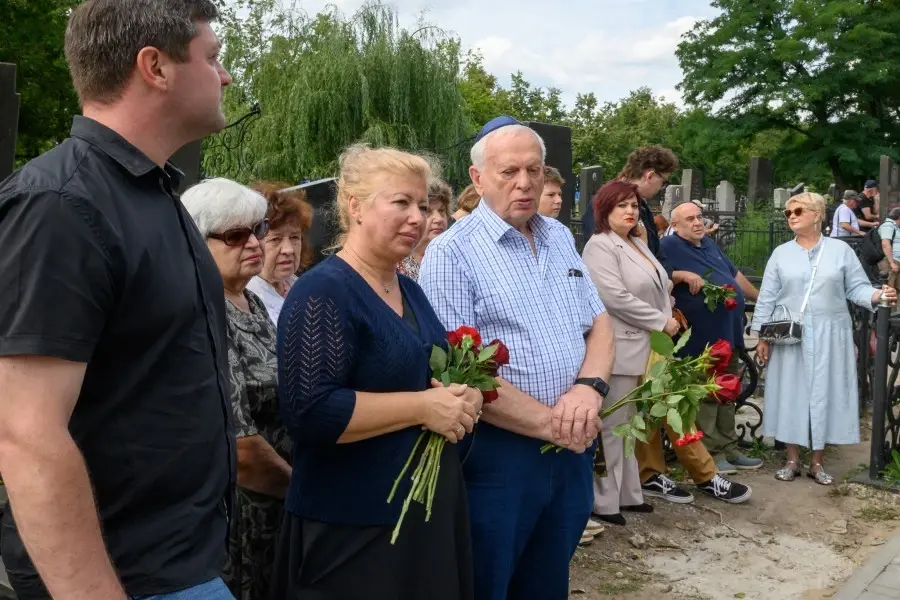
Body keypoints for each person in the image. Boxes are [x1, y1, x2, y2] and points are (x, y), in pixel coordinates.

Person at [0, 2, 236, 599]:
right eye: (212, 58)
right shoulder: (59, 207)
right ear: (155, 67)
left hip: (186, 566)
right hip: (123, 581)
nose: (226, 76)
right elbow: (24, 432)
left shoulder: (156, 198)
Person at [271, 145, 481, 600]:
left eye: (423, 206)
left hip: (419, 519)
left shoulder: (408, 288)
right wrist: (423, 407)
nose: (417, 217)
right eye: (401, 202)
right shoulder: (322, 292)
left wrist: (464, 396)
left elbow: (425, 374)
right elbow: (311, 412)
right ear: (355, 207)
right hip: (354, 529)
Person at [419, 115, 615, 600]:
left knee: (549, 577)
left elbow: (600, 324)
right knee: (489, 579)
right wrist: (553, 423)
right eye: (509, 172)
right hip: (499, 454)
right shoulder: (452, 254)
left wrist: (588, 390)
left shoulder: (558, 238)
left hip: (570, 444)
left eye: (533, 169)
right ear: (478, 178)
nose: (524, 183)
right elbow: (461, 371)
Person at [182, 178, 291, 600]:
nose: (253, 243)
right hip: (239, 518)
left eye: (257, 230)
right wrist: (303, 493)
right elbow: (240, 447)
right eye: (234, 235)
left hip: (275, 505)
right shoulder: (204, 310)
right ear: (196, 241)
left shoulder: (251, 300)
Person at [753, 193, 896, 485]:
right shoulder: (781, 253)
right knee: (791, 391)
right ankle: (792, 458)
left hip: (832, 333)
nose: (791, 216)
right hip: (791, 335)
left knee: (825, 391)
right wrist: (761, 336)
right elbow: (767, 296)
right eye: (787, 212)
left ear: (817, 215)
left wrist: (877, 295)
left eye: (798, 210)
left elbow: (855, 287)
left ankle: (817, 461)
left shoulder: (840, 251)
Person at [582, 181, 669, 527]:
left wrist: (669, 311)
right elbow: (614, 296)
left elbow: (659, 285)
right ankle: (603, 500)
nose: (630, 211)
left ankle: (629, 493)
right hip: (619, 344)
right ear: (605, 211)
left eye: (633, 205)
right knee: (613, 425)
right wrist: (661, 321)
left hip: (645, 345)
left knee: (632, 424)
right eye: (621, 206)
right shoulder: (600, 246)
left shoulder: (636, 242)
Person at [661, 201, 762, 481]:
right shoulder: (668, 246)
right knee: (705, 393)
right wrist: (682, 275)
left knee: (726, 392)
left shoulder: (708, 245)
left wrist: (760, 299)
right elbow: (657, 275)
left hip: (727, 334)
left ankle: (729, 446)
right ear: (675, 224)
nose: (697, 223)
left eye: (699, 217)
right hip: (700, 339)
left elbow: (734, 276)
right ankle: (710, 451)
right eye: (689, 219)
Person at [582, 146, 678, 262]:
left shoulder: (643, 207)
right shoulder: (602, 202)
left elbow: (656, 253)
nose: (662, 187)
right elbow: (600, 255)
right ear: (650, 176)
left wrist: (667, 277)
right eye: (664, 182)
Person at [245, 181, 314, 324]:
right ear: (253, 242)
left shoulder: (300, 285)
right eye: (276, 239)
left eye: (295, 237)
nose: (288, 249)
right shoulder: (247, 301)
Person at [397, 178, 451, 280]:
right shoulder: (397, 268)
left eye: (442, 211)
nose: (439, 219)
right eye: (428, 211)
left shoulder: (453, 259)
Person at [878, 207, 900, 274]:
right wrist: (892, 263)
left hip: (896, 260)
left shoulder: (895, 227)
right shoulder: (888, 225)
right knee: (891, 283)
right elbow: (885, 244)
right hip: (892, 261)